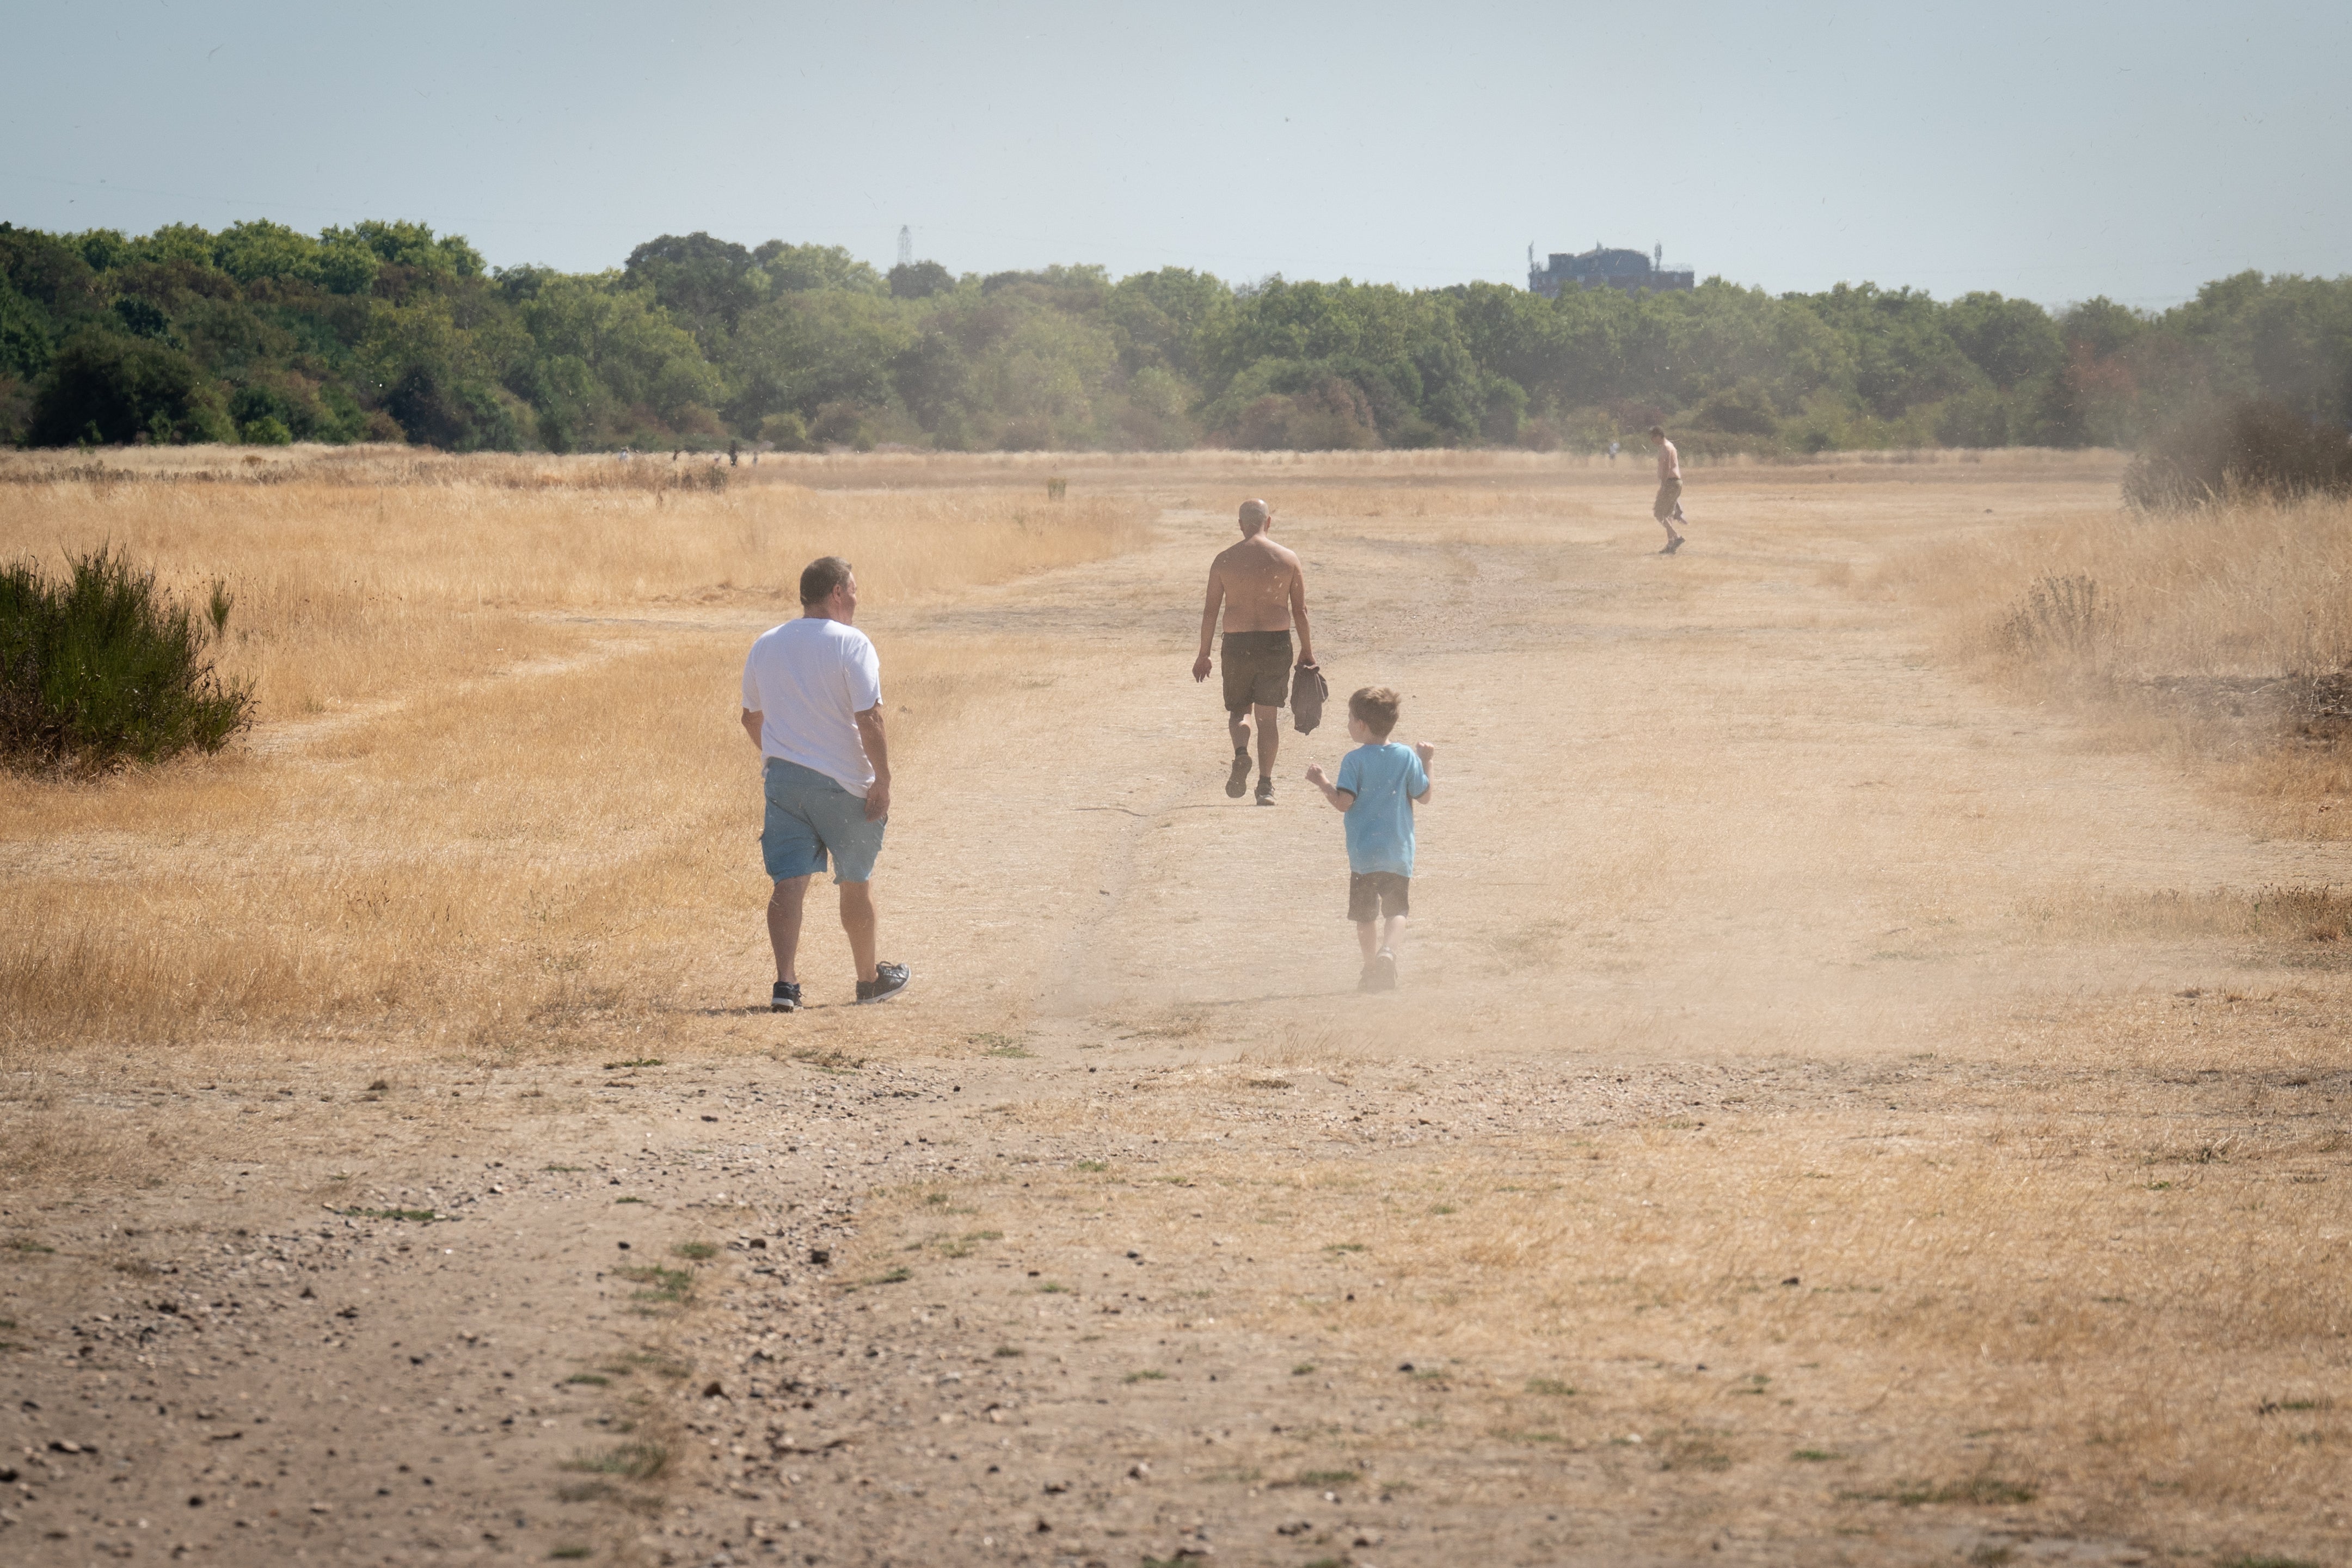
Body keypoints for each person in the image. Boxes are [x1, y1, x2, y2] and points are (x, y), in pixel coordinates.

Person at [740, 556, 911, 1011]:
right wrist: (883, 779)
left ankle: (785, 985)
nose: (857, 597)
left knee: (788, 884)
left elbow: (750, 716)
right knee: (855, 883)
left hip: (784, 784)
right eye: (853, 588)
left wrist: (782, 753)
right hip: (845, 786)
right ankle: (868, 980)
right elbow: (869, 717)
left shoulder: (766, 643)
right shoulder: (851, 643)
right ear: (836, 592)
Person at [1305, 687, 1434, 993]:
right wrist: (1426, 760)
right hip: (1398, 853)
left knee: (1365, 918)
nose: (1348, 724)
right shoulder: (1406, 756)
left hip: (1364, 855)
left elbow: (1343, 803)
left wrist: (1321, 782)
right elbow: (1425, 795)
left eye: (1350, 718)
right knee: (1397, 912)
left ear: (1361, 724)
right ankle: (1388, 953)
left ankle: (1371, 968)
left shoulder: (1354, 761)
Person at [1192, 499, 1315, 804]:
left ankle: (1241, 753)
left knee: (1239, 711)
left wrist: (1204, 653)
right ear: (1268, 522)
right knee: (1268, 719)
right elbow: (1300, 611)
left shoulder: (1224, 560)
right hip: (1275, 642)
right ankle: (1266, 786)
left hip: (1237, 643)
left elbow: (1210, 612)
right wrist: (1307, 652)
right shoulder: (1287, 559)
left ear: (1240, 524)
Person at [1648, 423, 1687, 554]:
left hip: (1670, 483)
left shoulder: (1665, 448)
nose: (1652, 441)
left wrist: (1663, 485)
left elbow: (1667, 468)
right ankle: (1671, 545)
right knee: (1668, 515)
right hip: (1675, 482)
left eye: (1653, 438)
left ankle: (1676, 538)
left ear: (1658, 436)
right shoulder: (1670, 446)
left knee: (1659, 513)